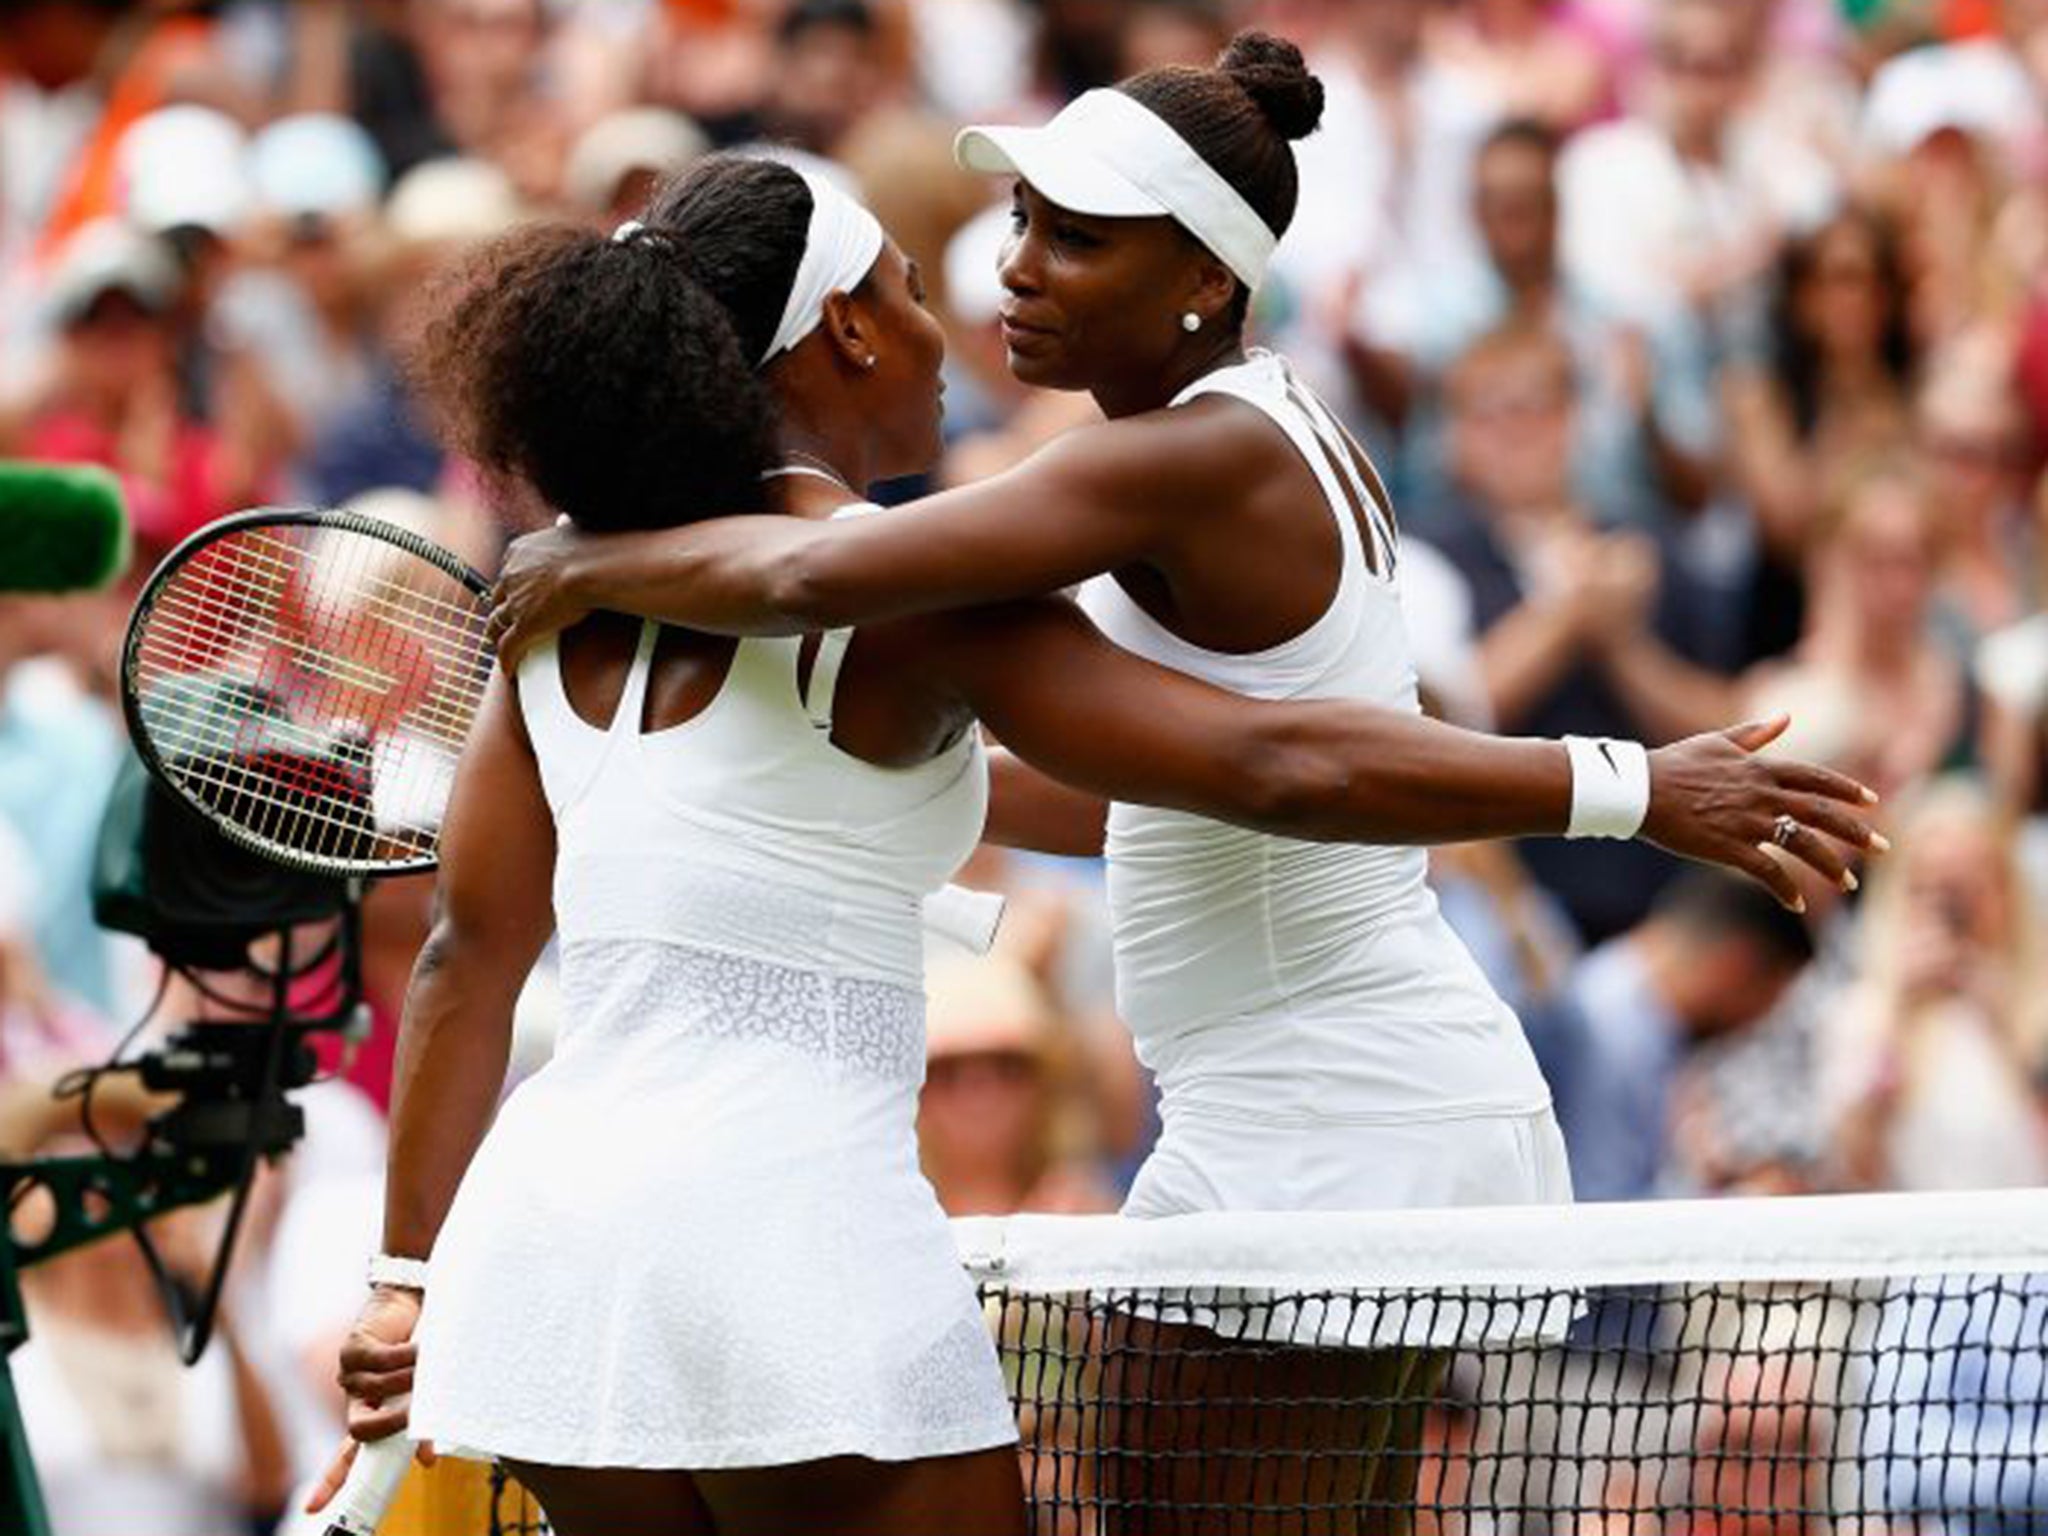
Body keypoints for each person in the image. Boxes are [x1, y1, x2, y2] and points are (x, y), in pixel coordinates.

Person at [312, 149, 1875, 1536]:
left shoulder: (557, 609)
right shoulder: (901, 589)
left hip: (546, 1260)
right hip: (784, 1249)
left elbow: (469, 956)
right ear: (850, 326)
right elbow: (1271, 761)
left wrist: (408, 1278)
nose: (961, 321)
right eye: (916, 289)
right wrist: (1629, 788)